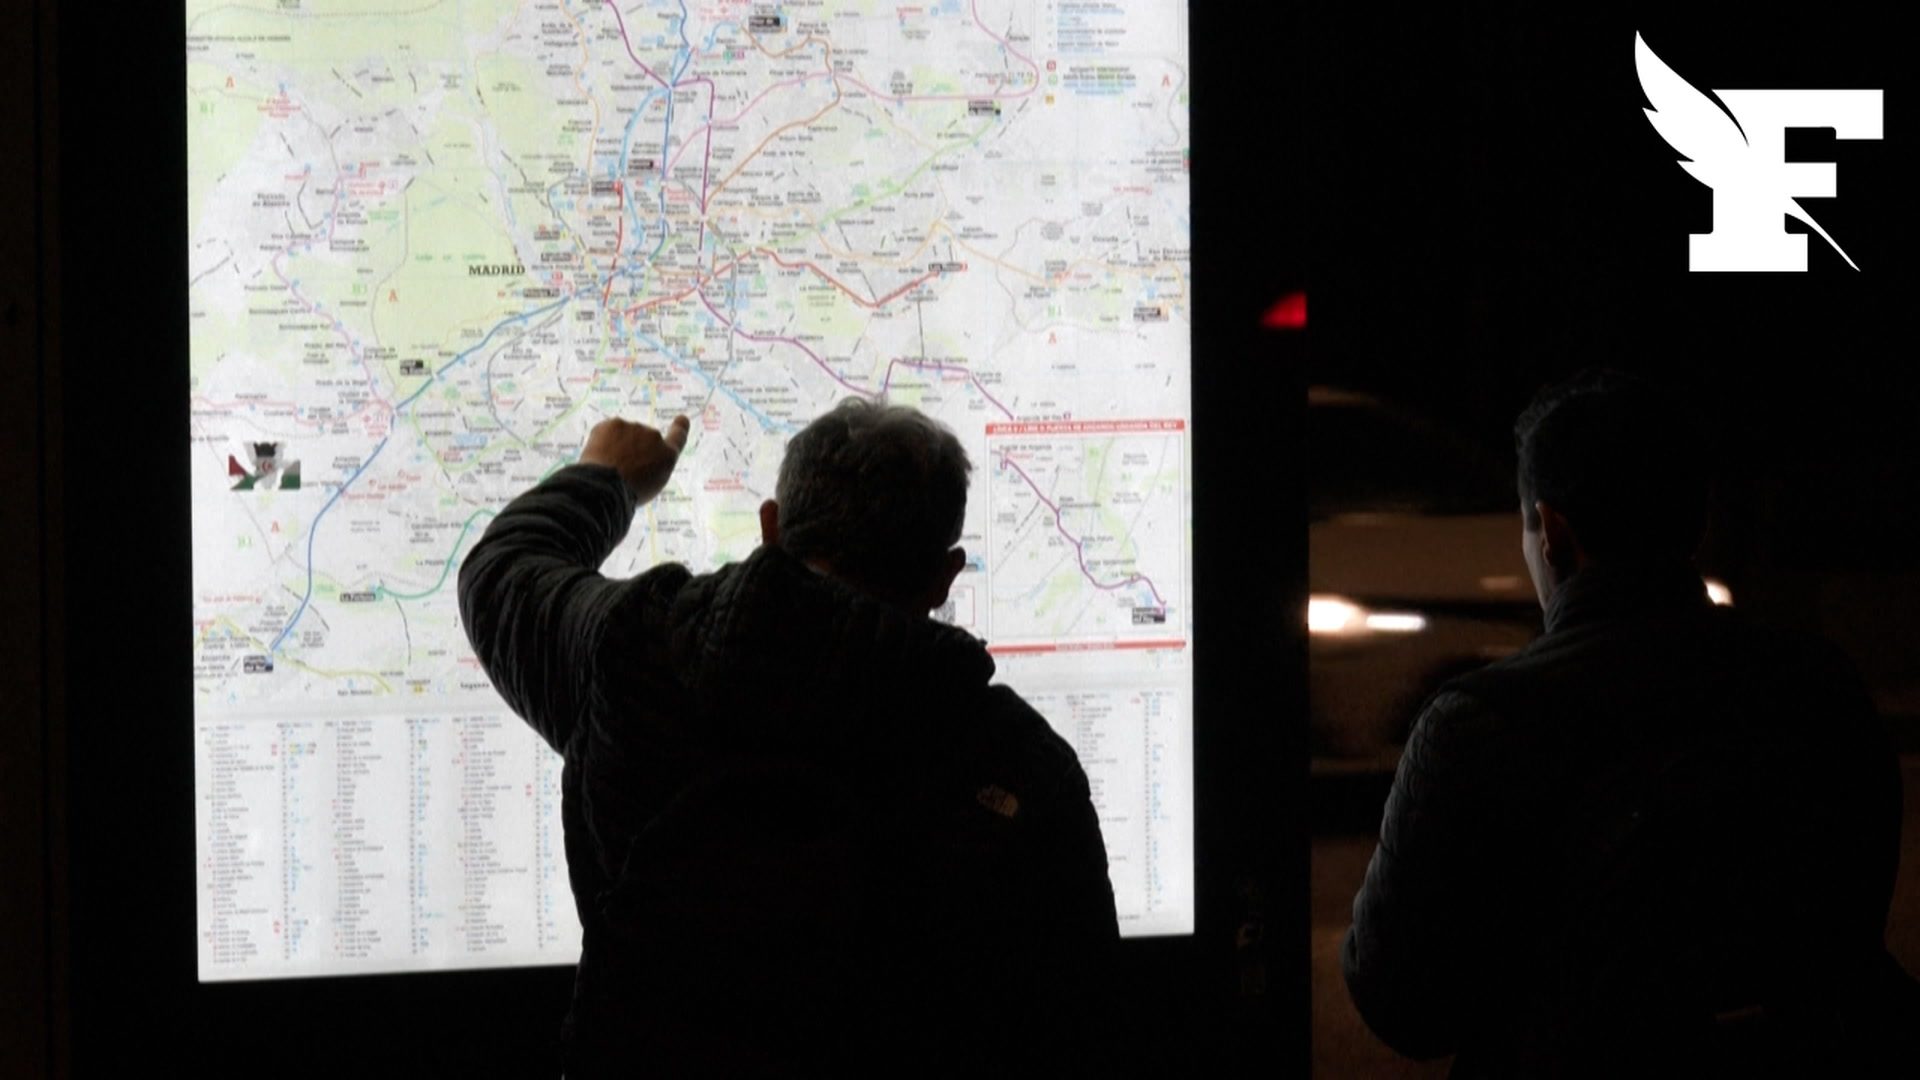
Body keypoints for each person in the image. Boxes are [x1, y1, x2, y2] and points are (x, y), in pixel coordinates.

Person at [458, 398, 1119, 1077]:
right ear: (945, 576)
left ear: (771, 528)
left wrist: (606, 477)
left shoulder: (634, 654)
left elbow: (502, 572)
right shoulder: (1024, 772)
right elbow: (1082, 1027)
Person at [1342, 368, 1913, 1077]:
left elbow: (1400, 1003)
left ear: (1552, 533)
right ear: (1697, 522)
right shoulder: (1817, 684)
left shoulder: (1475, 727)